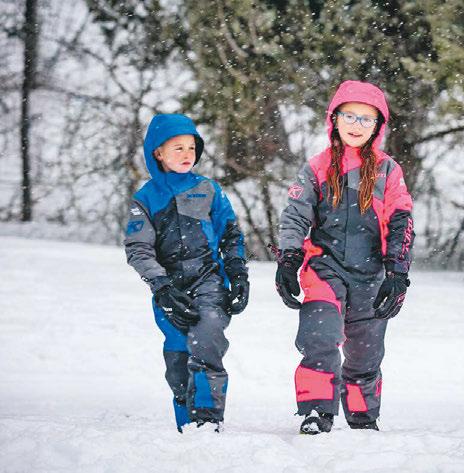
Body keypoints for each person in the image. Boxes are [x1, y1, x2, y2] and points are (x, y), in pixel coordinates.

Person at [275, 80, 414, 435]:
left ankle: (363, 417)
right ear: (334, 118)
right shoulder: (317, 167)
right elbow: (295, 215)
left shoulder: (388, 170)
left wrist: (397, 274)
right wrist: (289, 259)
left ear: (378, 126)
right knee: (320, 335)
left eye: (366, 119)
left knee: (366, 352)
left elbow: (401, 221)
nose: (356, 124)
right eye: (349, 115)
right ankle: (316, 411)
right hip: (325, 268)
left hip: (372, 274)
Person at [124, 113, 249, 433]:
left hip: (209, 281)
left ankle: (207, 416)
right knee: (179, 351)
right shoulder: (146, 199)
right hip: (170, 286)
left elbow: (231, 235)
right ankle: (186, 417)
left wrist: (237, 272)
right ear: (158, 153)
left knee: (206, 337)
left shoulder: (209, 190)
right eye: (177, 148)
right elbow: (138, 248)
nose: (186, 154)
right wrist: (161, 286)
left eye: (191, 148)